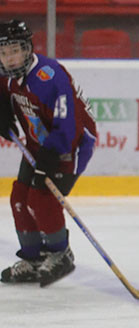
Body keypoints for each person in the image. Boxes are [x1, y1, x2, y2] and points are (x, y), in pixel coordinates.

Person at [0, 19, 97, 286]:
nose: (9, 58)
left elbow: (69, 125)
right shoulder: (7, 76)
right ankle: (33, 258)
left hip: (70, 145)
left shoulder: (50, 76)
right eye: (3, 52)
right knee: (19, 197)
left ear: (28, 48)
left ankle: (59, 254)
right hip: (37, 144)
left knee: (41, 199)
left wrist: (52, 154)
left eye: (15, 50)